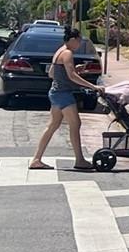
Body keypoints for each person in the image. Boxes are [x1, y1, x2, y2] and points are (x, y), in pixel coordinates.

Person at [28, 28, 103, 171]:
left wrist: (74, 70)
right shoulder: (67, 53)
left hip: (55, 92)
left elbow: (52, 73)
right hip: (63, 94)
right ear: (73, 39)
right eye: (79, 40)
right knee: (75, 124)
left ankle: (36, 159)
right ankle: (80, 160)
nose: (80, 43)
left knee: (52, 126)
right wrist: (93, 86)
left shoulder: (59, 52)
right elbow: (72, 76)